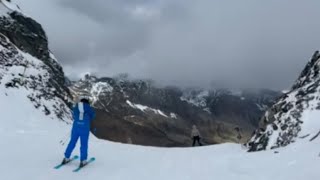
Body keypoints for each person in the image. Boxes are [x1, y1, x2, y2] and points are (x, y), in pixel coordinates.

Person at [61, 97, 96, 167]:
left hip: (75, 128)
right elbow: (93, 116)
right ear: (87, 103)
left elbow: (74, 116)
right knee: (83, 144)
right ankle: (83, 160)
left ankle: (66, 157)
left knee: (72, 142)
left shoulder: (76, 108)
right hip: (84, 129)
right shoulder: (89, 108)